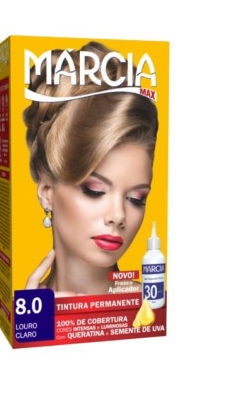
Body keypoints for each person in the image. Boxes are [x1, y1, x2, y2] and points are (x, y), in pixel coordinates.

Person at [23, 41, 159, 296]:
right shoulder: (23, 310)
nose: (118, 216)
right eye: (95, 191)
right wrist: (35, 317)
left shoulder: (152, 308)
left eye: (136, 199)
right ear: (47, 192)